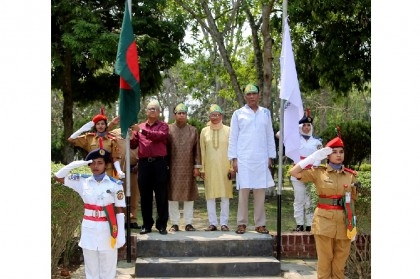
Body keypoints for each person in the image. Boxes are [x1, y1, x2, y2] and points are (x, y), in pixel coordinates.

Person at [289, 129, 359, 279]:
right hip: (324, 222)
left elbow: (351, 201)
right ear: (327, 154)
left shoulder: (350, 176)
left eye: (341, 151)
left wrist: (353, 225)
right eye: (335, 152)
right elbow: (294, 172)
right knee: (325, 264)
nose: (339, 155)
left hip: (344, 222)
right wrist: (313, 157)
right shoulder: (319, 172)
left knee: (340, 266)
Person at [53, 140, 126, 279]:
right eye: (92, 163)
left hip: (109, 229)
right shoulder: (82, 181)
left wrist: (121, 235)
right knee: (91, 270)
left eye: (100, 163)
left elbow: (120, 210)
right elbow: (58, 177)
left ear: (106, 165)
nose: (96, 166)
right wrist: (77, 164)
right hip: (89, 229)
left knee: (108, 269)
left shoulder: (115, 185)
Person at [228, 83, 276, 234]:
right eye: (248, 94)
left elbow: (269, 135)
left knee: (260, 192)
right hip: (244, 158)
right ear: (244, 96)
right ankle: (242, 223)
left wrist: (270, 156)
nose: (251, 96)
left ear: (258, 95)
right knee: (243, 191)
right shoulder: (238, 114)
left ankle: (260, 224)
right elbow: (233, 137)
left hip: (261, 158)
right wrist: (234, 159)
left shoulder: (266, 113)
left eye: (254, 93)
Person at [129, 100, 169, 235]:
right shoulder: (139, 127)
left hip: (159, 163)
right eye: (149, 109)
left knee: (161, 195)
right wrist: (130, 135)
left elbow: (159, 137)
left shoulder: (163, 126)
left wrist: (141, 131)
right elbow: (134, 145)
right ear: (146, 112)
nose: (152, 111)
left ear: (158, 112)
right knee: (145, 195)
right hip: (144, 164)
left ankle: (162, 224)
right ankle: (147, 224)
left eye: (154, 109)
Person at [167, 103, 202, 232]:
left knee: (189, 195)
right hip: (172, 168)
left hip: (188, 167)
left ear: (186, 115)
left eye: (184, 113)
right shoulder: (168, 129)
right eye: (179, 113)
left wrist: (197, 167)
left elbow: (197, 150)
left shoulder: (193, 130)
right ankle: (174, 223)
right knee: (172, 196)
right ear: (174, 115)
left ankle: (188, 223)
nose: (182, 115)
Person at [199, 104, 233, 231]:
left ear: (221, 116)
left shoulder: (229, 130)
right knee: (210, 196)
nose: (215, 117)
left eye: (217, 115)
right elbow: (202, 150)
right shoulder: (204, 131)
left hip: (225, 167)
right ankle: (212, 223)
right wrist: (202, 168)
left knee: (225, 196)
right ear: (209, 116)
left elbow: (232, 150)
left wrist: (231, 167)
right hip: (209, 168)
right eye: (212, 115)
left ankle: (224, 223)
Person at [68, 108, 125, 180]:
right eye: (98, 124)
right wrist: (82, 129)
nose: (100, 126)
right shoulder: (89, 138)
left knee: (107, 189)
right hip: (94, 168)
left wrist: (119, 171)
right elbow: (71, 139)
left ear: (105, 125)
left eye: (102, 124)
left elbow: (115, 157)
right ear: (95, 126)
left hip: (108, 169)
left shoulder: (112, 140)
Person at [291, 109, 323, 232]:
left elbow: (319, 158)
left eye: (308, 125)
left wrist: (312, 170)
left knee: (309, 201)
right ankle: (299, 224)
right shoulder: (294, 140)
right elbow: (279, 134)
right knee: (299, 199)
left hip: (311, 174)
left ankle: (310, 224)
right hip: (297, 172)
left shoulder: (317, 141)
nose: (306, 127)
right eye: (303, 125)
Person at [108, 119, 141, 230]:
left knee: (134, 196)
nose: (129, 126)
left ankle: (132, 220)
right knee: (119, 195)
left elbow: (145, 149)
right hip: (120, 171)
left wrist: (139, 164)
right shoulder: (116, 132)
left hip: (134, 169)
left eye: (131, 125)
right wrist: (112, 123)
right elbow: (103, 132)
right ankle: (121, 219)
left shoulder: (138, 134)